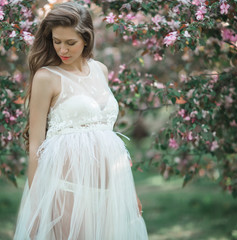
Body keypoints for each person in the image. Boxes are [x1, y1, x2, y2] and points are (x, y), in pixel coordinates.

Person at [14, 2, 148, 239]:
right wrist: (36, 204)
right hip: (66, 189)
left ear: (86, 39)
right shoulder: (47, 77)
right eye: (57, 41)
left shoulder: (100, 70)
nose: (62, 50)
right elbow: (36, 143)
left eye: (70, 43)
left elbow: (109, 138)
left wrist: (129, 191)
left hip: (112, 191)